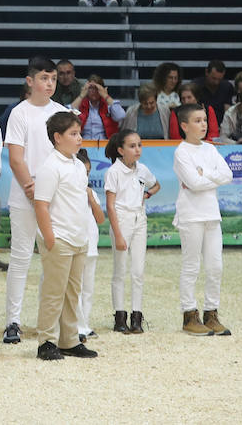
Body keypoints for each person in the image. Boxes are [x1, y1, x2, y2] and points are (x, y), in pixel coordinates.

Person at [2, 56, 67, 344]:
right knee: (20, 258)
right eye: (44, 78)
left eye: (52, 78)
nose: (49, 83)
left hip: (55, 197)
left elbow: (67, 155)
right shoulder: (20, 113)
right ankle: (12, 321)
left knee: (54, 259)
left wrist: (47, 193)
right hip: (25, 195)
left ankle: (50, 319)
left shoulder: (63, 112)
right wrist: (32, 189)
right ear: (30, 81)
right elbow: (15, 158)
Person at [32, 111, 96, 360]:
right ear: (57, 137)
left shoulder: (79, 166)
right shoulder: (50, 167)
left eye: (79, 133)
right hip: (59, 238)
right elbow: (41, 205)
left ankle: (69, 339)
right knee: (53, 292)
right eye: (73, 134)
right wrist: (49, 238)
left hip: (78, 238)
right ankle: (46, 341)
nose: (79, 138)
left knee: (72, 293)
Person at [173, 102, 234, 336]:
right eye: (197, 121)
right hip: (190, 215)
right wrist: (211, 179)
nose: (203, 125)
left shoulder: (210, 149)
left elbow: (227, 175)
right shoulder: (181, 152)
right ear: (184, 125)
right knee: (191, 266)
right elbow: (194, 184)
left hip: (211, 213)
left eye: (204, 120)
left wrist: (205, 174)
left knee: (215, 266)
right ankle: (189, 314)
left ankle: (211, 312)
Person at [104, 129, 158, 336]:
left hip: (139, 219)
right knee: (120, 270)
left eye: (139, 145)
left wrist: (147, 194)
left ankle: (137, 316)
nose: (137, 149)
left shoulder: (142, 169)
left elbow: (156, 185)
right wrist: (117, 233)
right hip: (122, 219)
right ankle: (119, 316)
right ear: (120, 150)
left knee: (138, 271)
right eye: (132, 146)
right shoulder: (114, 172)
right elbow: (110, 205)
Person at [75, 150, 106, 343]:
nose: (85, 177)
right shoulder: (67, 192)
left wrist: (91, 199)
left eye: (88, 173)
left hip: (91, 248)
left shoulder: (92, 193)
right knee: (75, 289)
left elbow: (100, 219)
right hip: (76, 245)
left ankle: (85, 323)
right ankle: (77, 326)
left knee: (88, 289)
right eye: (82, 172)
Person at [71, 74, 124, 139]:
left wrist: (105, 95)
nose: (94, 91)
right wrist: (81, 95)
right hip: (83, 143)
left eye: (97, 88)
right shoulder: (81, 104)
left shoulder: (109, 105)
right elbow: (68, 115)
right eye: (90, 88)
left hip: (105, 144)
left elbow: (120, 116)